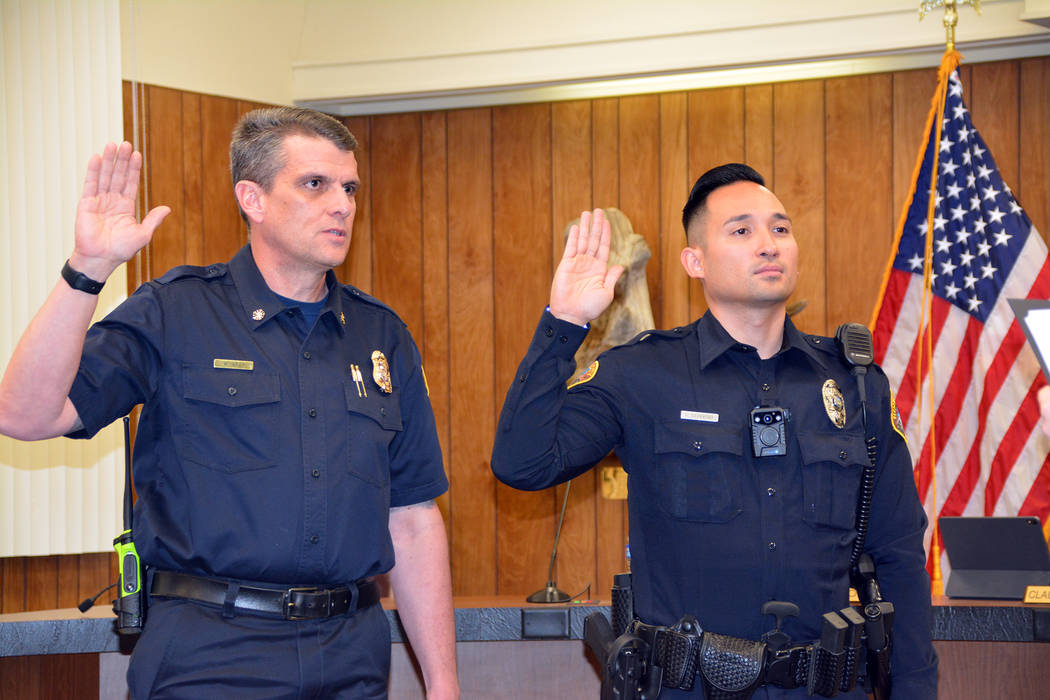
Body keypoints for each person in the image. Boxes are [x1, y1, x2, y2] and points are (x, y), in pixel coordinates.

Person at [0, 108, 458, 699]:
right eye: (314, 184)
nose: (342, 204)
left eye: (349, 187)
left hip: (352, 658)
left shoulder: (381, 336)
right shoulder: (176, 312)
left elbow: (415, 521)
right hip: (210, 655)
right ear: (253, 198)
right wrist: (89, 268)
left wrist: (443, 687)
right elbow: (25, 414)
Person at [491, 164, 937, 698]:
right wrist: (563, 323)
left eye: (780, 228)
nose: (769, 245)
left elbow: (898, 556)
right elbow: (523, 462)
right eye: (742, 231)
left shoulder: (855, 385)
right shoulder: (642, 374)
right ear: (694, 260)